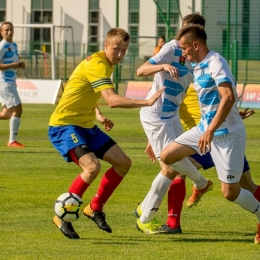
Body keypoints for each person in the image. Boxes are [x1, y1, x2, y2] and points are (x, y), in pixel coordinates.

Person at [48, 27, 165, 239]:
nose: (120, 54)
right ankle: (62, 216)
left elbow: (82, 91)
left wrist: (98, 114)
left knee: (123, 162)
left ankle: (95, 207)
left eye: (124, 50)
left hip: (86, 125)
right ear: (105, 45)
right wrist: (146, 102)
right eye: (116, 49)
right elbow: (112, 100)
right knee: (92, 166)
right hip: (64, 125)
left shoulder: (104, 64)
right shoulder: (98, 64)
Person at [160, 24, 260, 245]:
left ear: (195, 45)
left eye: (184, 49)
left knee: (230, 193)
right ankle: (201, 183)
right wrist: (216, 124)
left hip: (227, 136)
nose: (183, 54)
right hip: (205, 129)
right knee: (167, 156)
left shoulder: (216, 62)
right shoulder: (197, 66)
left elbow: (228, 96)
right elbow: (221, 100)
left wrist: (213, 129)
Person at [142, 84, 260, 234]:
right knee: (248, 186)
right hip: (225, 137)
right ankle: (198, 188)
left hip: (206, 140)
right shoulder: (199, 77)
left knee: (177, 168)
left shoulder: (184, 82)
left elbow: (163, 113)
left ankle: (174, 222)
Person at [135, 13, 213, 235]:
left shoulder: (200, 58)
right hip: (155, 115)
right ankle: (147, 218)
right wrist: (161, 67)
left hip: (171, 117)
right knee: (170, 166)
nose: (184, 36)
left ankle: (144, 209)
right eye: (184, 29)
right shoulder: (171, 48)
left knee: (172, 169)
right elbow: (141, 70)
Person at [0, 22, 26, 148]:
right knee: (18, 109)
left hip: (11, 82)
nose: (9, 32)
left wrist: (20, 63)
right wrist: (12, 65)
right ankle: (12, 141)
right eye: (6, 30)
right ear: (1, 32)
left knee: (6, 114)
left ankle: (12, 141)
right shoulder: (2, 46)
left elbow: (13, 61)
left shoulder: (14, 45)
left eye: (11, 29)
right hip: (5, 82)